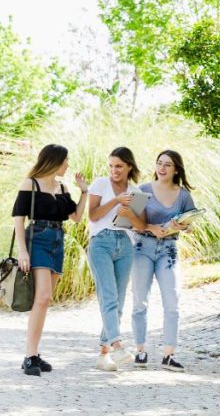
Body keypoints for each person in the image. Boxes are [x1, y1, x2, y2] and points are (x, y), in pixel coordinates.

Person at [13, 144, 89, 376]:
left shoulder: (62, 186)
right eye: (65, 161)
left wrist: (84, 192)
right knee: (43, 296)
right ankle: (29, 356)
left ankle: (34, 353)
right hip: (38, 239)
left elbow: (75, 218)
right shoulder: (31, 184)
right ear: (55, 161)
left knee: (44, 301)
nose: (68, 165)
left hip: (57, 241)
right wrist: (23, 251)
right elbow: (18, 218)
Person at [132, 150, 196, 372]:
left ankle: (169, 355)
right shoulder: (143, 190)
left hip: (168, 250)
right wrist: (151, 227)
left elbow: (190, 223)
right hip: (142, 247)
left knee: (172, 302)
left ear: (176, 169)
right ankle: (140, 351)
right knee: (140, 301)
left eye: (168, 165)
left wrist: (182, 225)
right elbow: (128, 221)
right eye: (159, 163)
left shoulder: (183, 195)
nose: (162, 168)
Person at [87, 146, 145, 371]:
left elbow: (139, 226)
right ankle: (118, 346)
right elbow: (92, 216)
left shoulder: (136, 192)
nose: (114, 170)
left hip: (125, 245)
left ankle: (103, 355)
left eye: (119, 166)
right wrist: (116, 201)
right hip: (101, 242)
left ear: (129, 166)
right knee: (108, 297)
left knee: (119, 303)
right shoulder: (101, 184)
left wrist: (129, 213)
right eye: (111, 165)